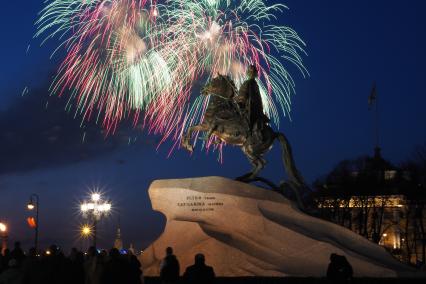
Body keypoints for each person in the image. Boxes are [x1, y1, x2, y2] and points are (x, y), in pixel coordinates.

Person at [235, 65, 269, 134]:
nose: (251, 74)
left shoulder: (248, 83)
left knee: (236, 115)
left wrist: (238, 101)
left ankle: (238, 131)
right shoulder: (255, 84)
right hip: (257, 109)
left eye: (252, 72)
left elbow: (242, 95)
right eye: (251, 72)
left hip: (250, 107)